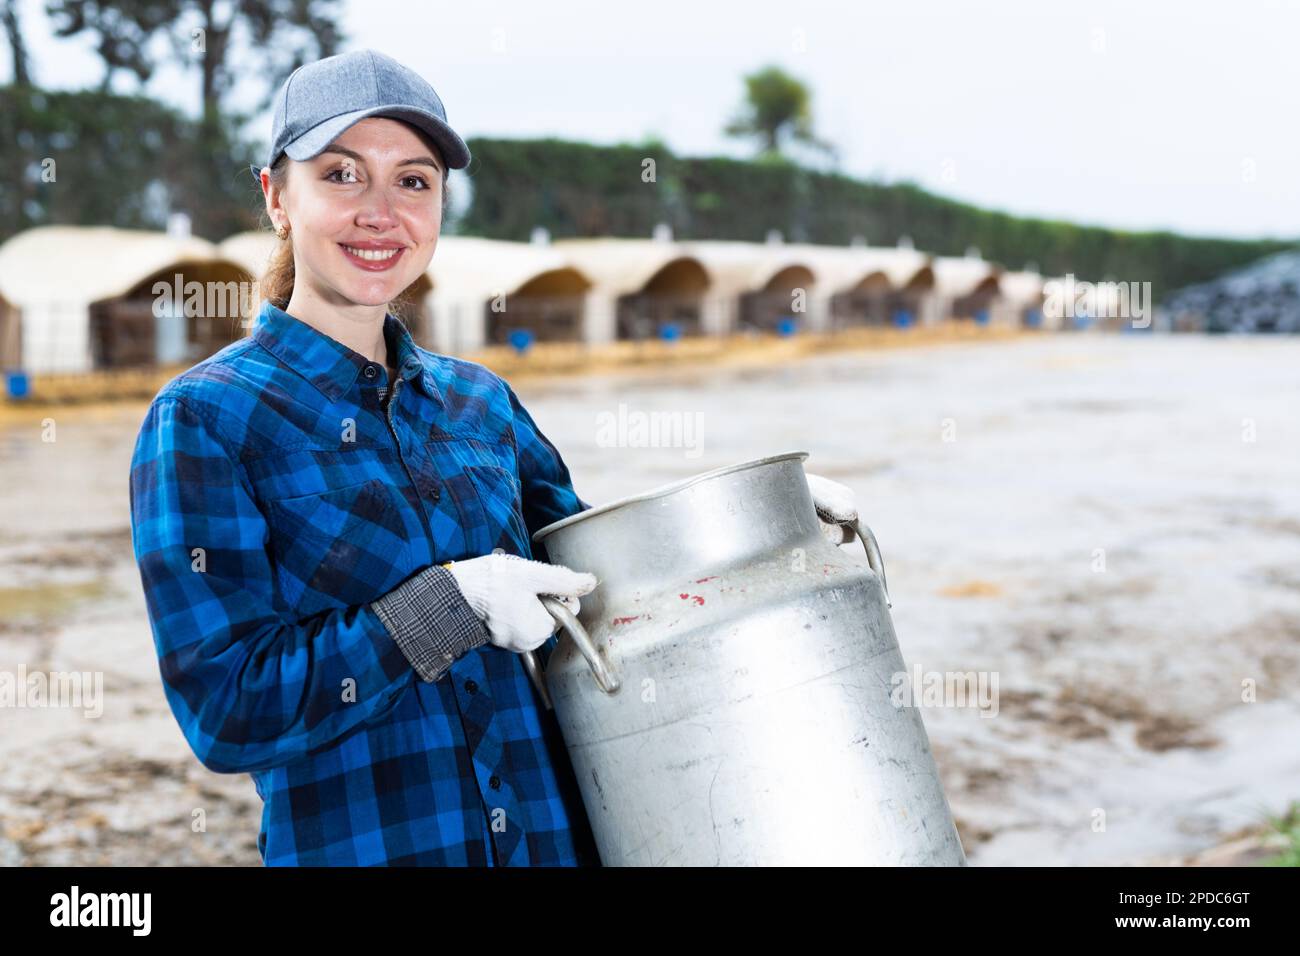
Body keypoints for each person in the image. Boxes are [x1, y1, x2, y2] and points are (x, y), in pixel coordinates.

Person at [129, 48, 863, 867]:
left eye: (413, 181)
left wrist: (761, 521)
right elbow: (229, 711)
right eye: (341, 175)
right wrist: (448, 606)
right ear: (276, 197)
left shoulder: (481, 403)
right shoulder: (204, 421)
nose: (381, 212)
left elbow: (600, 585)